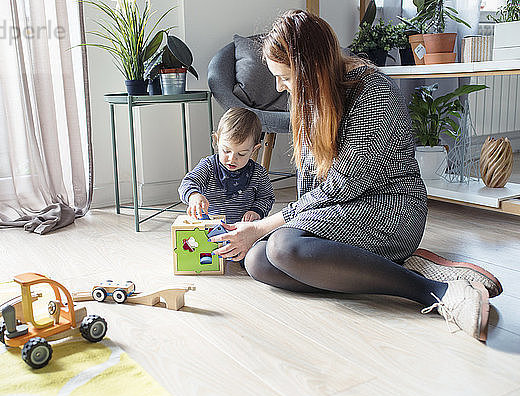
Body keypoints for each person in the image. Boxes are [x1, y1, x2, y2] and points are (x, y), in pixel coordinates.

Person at [209, 10, 501, 341]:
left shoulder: (373, 92)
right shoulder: (313, 98)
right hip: (341, 209)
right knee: (259, 261)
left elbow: (341, 185)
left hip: (391, 207)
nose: (280, 86)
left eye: (286, 77)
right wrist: (263, 232)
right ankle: (390, 269)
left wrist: (264, 226)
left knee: (282, 247)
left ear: (311, 71)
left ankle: (437, 289)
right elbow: (311, 183)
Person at [178, 107, 275, 224]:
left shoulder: (258, 173)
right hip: (210, 227)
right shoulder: (208, 166)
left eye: (241, 153)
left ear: (254, 149)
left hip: (243, 230)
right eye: (226, 151)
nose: (232, 158)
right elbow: (187, 183)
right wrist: (193, 195)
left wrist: (256, 211)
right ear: (217, 141)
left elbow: (267, 198)